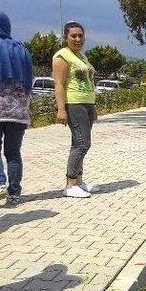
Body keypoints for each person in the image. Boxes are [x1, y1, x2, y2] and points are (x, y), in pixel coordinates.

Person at [52, 21, 97, 198]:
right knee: (83, 144)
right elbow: (59, 84)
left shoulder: (81, 56)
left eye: (80, 35)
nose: (78, 39)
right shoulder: (62, 56)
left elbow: (89, 82)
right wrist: (61, 109)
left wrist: (94, 106)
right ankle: (70, 185)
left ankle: (78, 180)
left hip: (87, 104)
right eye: (73, 36)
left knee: (77, 143)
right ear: (66, 37)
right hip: (74, 104)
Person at [0, 11, 33, 206]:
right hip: (18, 113)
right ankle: (14, 193)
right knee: (13, 153)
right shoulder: (22, 50)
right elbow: (29, 83)